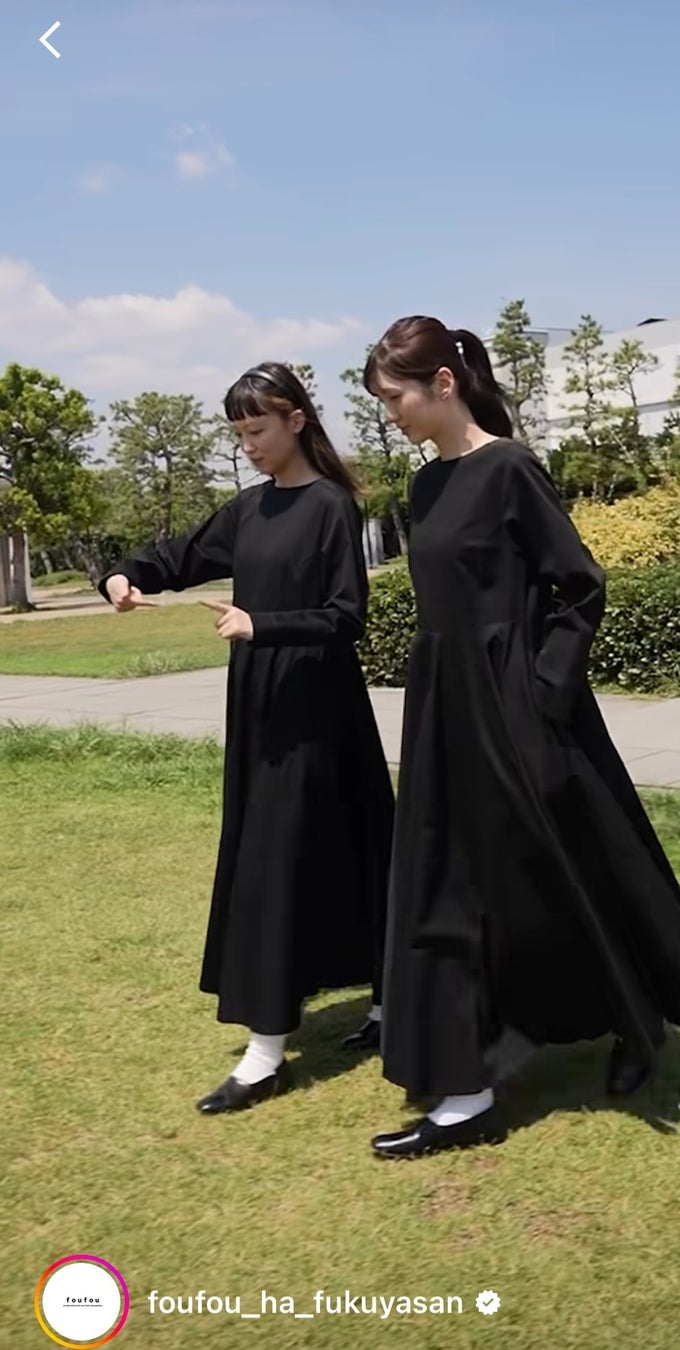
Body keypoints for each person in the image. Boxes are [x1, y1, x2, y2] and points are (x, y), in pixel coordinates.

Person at [362, 316, 680, 1159]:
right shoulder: (424, 489)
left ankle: (634, 1020)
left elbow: (579, 585)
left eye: (394, 398)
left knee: (566, 870)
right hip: (444, 713)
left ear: (443, 384)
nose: (389, 414)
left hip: (519, 709)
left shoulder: (509, 469)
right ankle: (468, 1082)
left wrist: (540, 691)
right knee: (450, 882)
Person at [98, 362, 394, 1113]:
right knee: (299, 854)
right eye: (239, 434)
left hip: (322, 712)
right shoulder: (249, 508)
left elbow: (346, 617)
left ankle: (291, 1046)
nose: (249, 446)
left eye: (257, 430)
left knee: (324, 855)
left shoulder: (331, 507)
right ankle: (337, 1022)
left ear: (296, 420)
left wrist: (262, 623)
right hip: (261, 712)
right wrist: (123, 577)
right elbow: (177, 558)